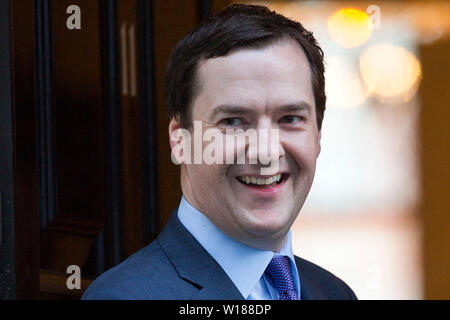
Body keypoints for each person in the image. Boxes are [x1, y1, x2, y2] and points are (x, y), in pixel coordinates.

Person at [82, 4, 357, 300]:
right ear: (180, 140)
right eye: (233, 122)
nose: (265, 152)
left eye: (290, 119)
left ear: (317, 135)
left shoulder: (335, 293)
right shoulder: (124, 297)